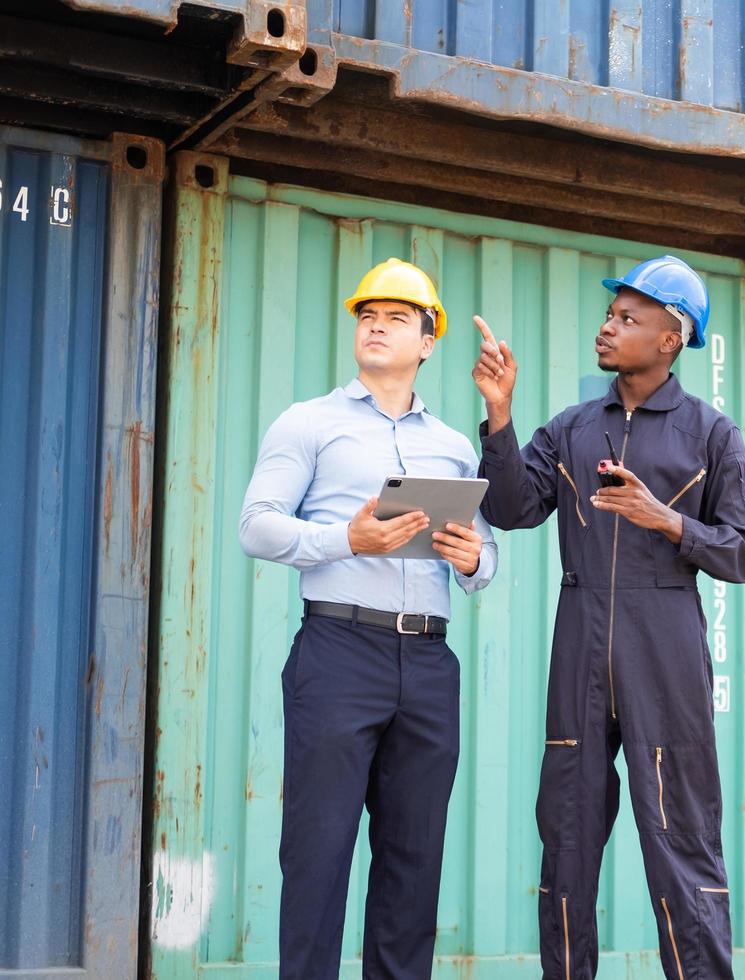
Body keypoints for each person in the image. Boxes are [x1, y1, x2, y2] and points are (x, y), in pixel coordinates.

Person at [471, 255, 745, 979]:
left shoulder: (710, 435)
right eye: (609, 314)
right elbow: (511, 509)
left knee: (681, 843)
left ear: (672, 339)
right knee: (567, 844)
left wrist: (668, 521)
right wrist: (501, 416)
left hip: (664, 650)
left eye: (628, 318)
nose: (608, 326)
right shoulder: (573, 427)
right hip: (579, 640)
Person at [239, 258, 497, 980]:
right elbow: (256, 527)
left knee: (414, 863)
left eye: (396, 317)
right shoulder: (309, 423)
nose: (377, 325)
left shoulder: (450, 445)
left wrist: (473, 557)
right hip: (338, 651)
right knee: (318, 853)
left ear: (427, 341)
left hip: (427, 665)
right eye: (367, 315)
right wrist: (344, 539)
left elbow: (487, 563)